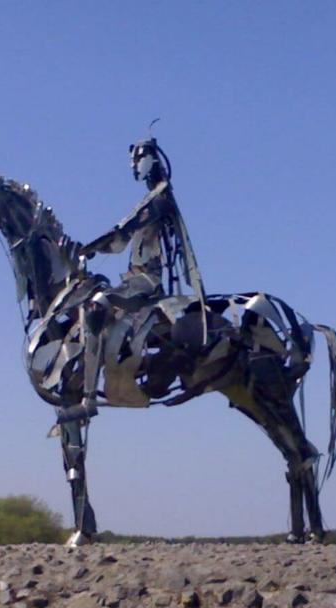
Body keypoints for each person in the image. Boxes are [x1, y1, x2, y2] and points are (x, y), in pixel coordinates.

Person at [73, 137, 208, 413]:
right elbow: (120, 242)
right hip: (132, 277)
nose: (134, 166)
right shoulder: (150, 198)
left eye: (137, 160)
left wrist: (89, 248)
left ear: (150, 160)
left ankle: (88, 397)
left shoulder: (159, 199)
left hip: (147, 280)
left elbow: (122, 230)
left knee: (97, 305)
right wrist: (92, 250)